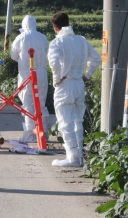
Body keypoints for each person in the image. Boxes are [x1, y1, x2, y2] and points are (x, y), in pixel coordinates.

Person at [48, 12, 100, 167]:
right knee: (78, 120)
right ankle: (79, 156)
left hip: (65, 84)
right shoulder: (81, 40)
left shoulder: (57, 43)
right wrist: (87, 76)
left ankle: (73, 158)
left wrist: (57, 79)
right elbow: (96, 58)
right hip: (79, 83)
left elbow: (54, 63)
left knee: (65, 122)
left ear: (55, 27)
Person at [10, 15, 50, 143]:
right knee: (41, 103)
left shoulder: (20, 38)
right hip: (42, 73)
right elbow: (47, 52)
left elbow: (13, 56)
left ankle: (30, 135)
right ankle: (43, 133)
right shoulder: (43, 37)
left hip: (26, 74)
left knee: (28, 104)